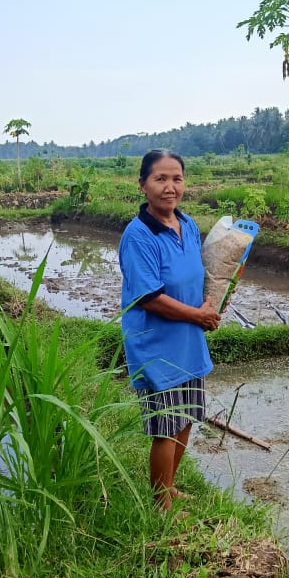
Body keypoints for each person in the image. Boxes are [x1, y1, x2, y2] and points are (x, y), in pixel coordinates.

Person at [118, 150, 220, 510]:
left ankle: (171, 487)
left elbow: (197, 273)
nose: (169, 187)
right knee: (165, 427)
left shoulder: (187, 224)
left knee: (187, 416)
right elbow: (150, 298)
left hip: (188, 340)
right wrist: (197, 315)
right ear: (143, 184)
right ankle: (160, 505)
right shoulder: (139, 235)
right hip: (157, 345)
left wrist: (209, 305)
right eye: (160, 179)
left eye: (176, 178)